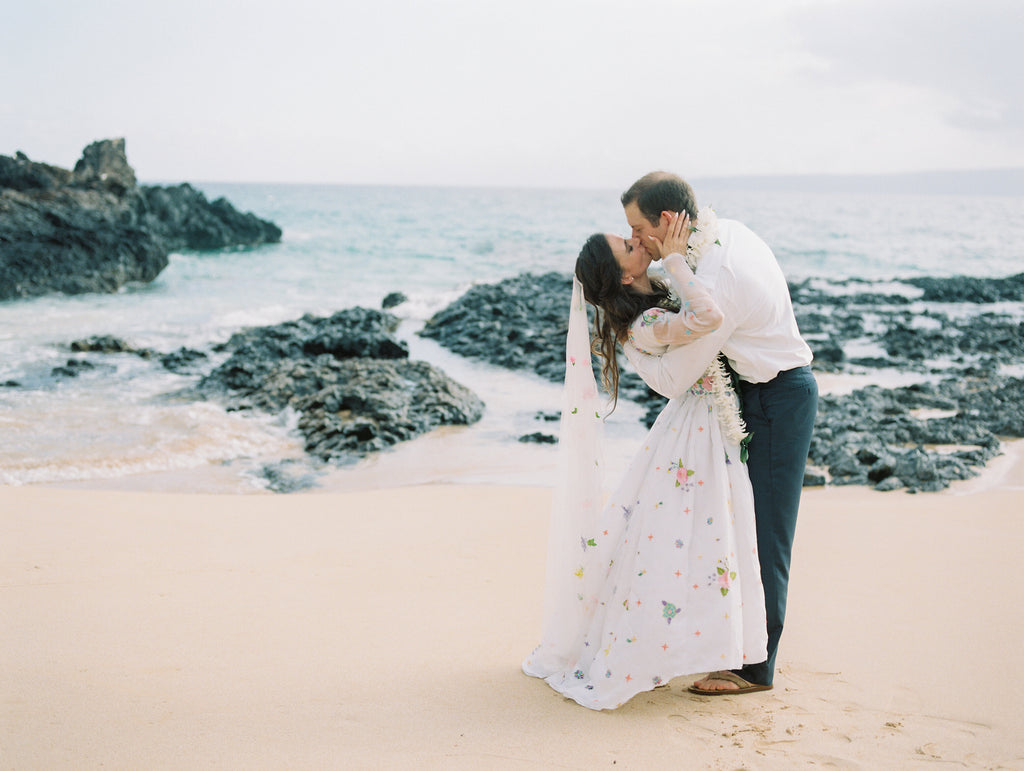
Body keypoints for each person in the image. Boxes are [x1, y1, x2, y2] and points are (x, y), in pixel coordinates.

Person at [522, 211, 768, 710]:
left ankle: (699, 643)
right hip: (695, 433)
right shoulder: (646, 321)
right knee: (691, 540)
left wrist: (676, 262)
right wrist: (675, 260)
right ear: (625, 276)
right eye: (630, 247)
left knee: (692, 540)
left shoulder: (644, 302)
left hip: (694, 426)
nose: (640, 243)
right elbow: (709, 317)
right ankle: (665, 646)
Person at [620, 172, 817, 694]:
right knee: (734, 527)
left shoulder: (718, 273)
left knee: (765, 534)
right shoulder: (720, 232)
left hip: (777, 398)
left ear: (668, 222)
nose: (636, 241)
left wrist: (631, 340)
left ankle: (757, 669)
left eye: (638, 229)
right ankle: (733, 641)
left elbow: (674, 377)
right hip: (750, 389)